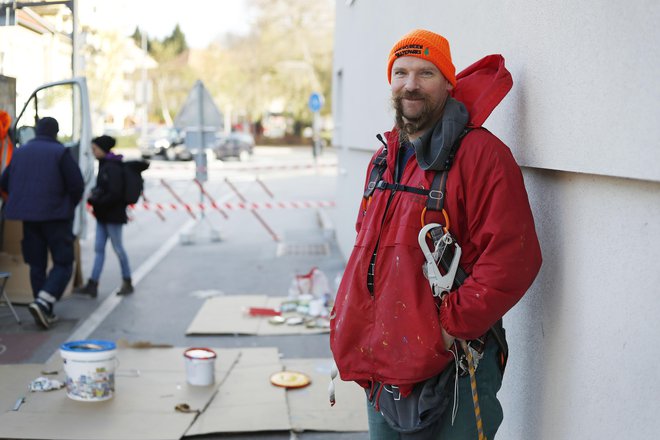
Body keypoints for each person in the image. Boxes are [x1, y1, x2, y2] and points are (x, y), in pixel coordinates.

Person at [329, 29, 543, 439]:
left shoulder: (482, 155)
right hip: (385, 366)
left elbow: (513, 260)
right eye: (402, 72)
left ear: (449, 83)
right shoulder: (382, 161)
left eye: (426, 73)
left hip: (455, 367)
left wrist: (446, 329)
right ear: (390, 82)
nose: (411, 84)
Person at [0, 117, 84, 329]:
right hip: (56, 217)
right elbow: (77, 185)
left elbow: (4, 182)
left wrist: (21, 200)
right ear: (56, 132)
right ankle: (44, 302)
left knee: (36, 264)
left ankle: (42, 307)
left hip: (28, 218)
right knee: (63, 263)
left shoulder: (20, 153)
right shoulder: (60, 153)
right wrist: (68, 205)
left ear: (37, 131)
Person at [75, 135, 134, 297]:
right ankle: (93, 284)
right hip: (104, 215)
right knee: (99, 249)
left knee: (118, 248)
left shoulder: (113, 167)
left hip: (113, 216)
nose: (93, 152)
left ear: (102, 149)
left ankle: (127, 280)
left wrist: (96, 200)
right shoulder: (105, 165)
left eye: (94, 149)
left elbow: (114, 193)